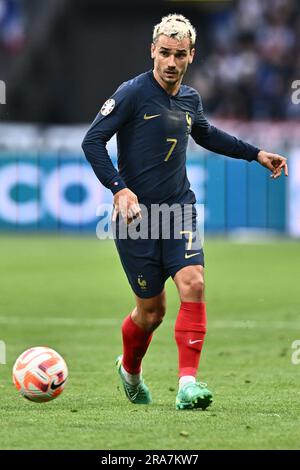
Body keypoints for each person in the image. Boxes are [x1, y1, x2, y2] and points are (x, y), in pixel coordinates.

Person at [82, 14, 288, 410]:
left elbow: (206, 133)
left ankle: (187, 384)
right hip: (137, 218)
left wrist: (255, 154)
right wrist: (118, 188)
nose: (171, 62)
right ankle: (130, 371)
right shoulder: (131, 93)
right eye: (164, 53)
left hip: (179, 209)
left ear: (191, 55)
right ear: (152, 52)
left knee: (193, 283)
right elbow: (92, 141)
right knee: (151, 312)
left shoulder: (190, 98)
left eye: (179, 54)